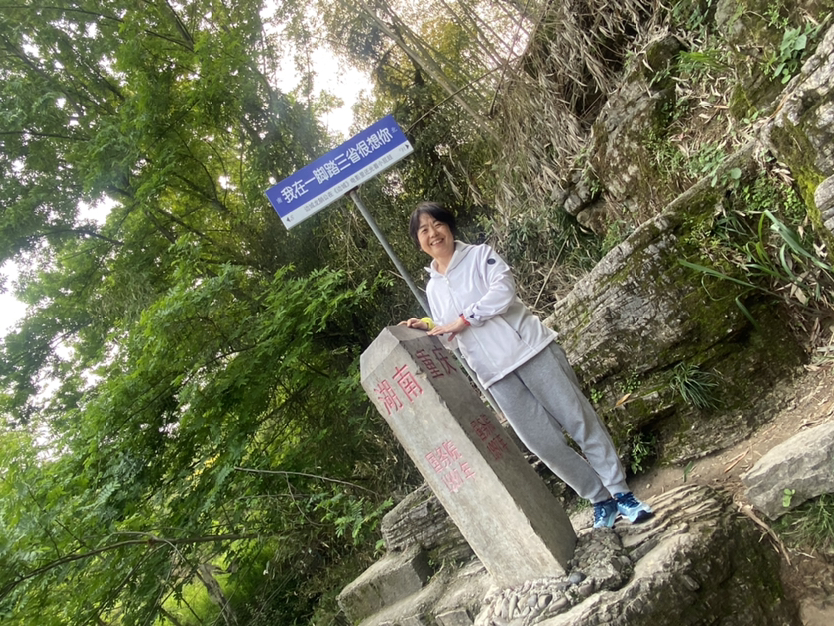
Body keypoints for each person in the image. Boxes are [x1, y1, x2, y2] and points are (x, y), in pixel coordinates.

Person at [399, 201, 653, 529]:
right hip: (495, 376)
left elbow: (503, 292)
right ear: (418, 241)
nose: (433, 233)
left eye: (437, 224)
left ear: (449, 226)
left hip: (531, 351)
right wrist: (428, 328)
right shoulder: (433, 287)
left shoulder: (479, 256)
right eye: (424, 230)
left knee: (579, 421)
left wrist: (465, 318)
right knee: (543, 444)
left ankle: (622, 494)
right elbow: (452, 336)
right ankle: (599, 498)